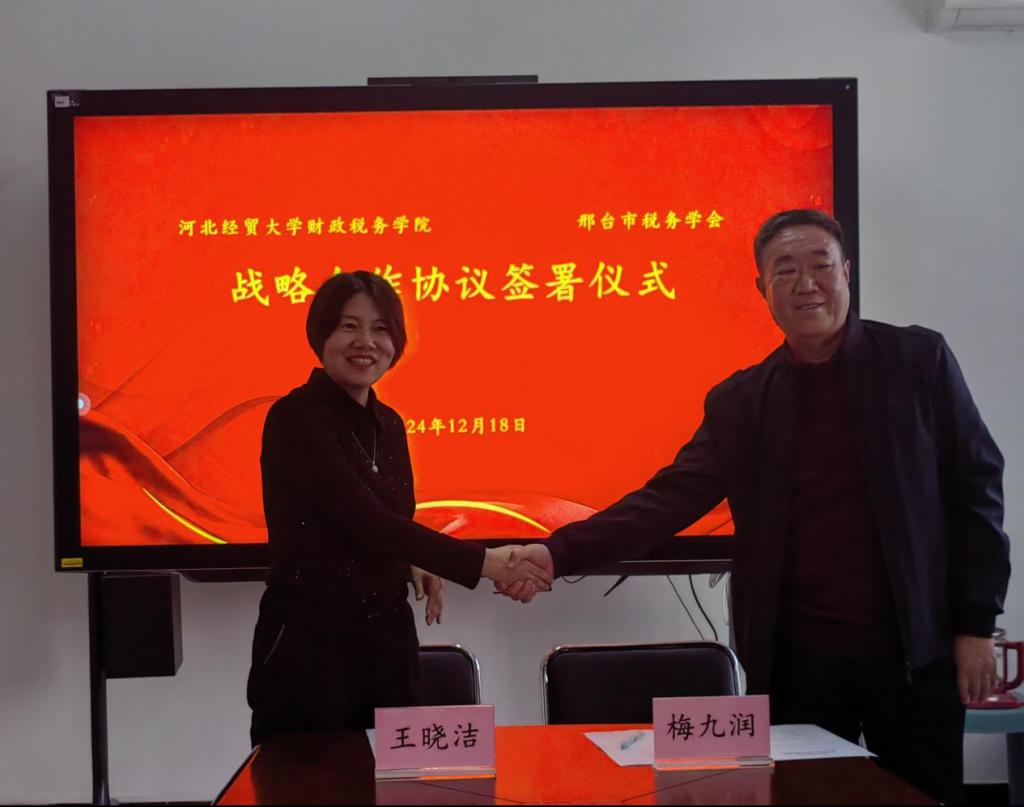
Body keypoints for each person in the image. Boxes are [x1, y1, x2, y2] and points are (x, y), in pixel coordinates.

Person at [499, 209, 1010, 804]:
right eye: (785, 270)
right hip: (799, 665)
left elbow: (977, 491)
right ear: (762, 288)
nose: (806, 283)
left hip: (915, 656)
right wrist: (555, 553)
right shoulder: (742, 402)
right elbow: (665, 501)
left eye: (821, 265)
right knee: (804, 799)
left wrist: (976, 626)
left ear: (846, 272)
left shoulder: (917, 362)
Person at [247, 270, 550, 746]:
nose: (365, 342)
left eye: (381, 329)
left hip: (388, 645)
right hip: (309, 650)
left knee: (399, 778)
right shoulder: (294, 417)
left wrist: (410, 560)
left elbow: (387, 524)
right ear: (320, 333)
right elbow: (361, 519)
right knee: (310, 781)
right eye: (348, 326)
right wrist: (486, 563)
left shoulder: (389, 424)